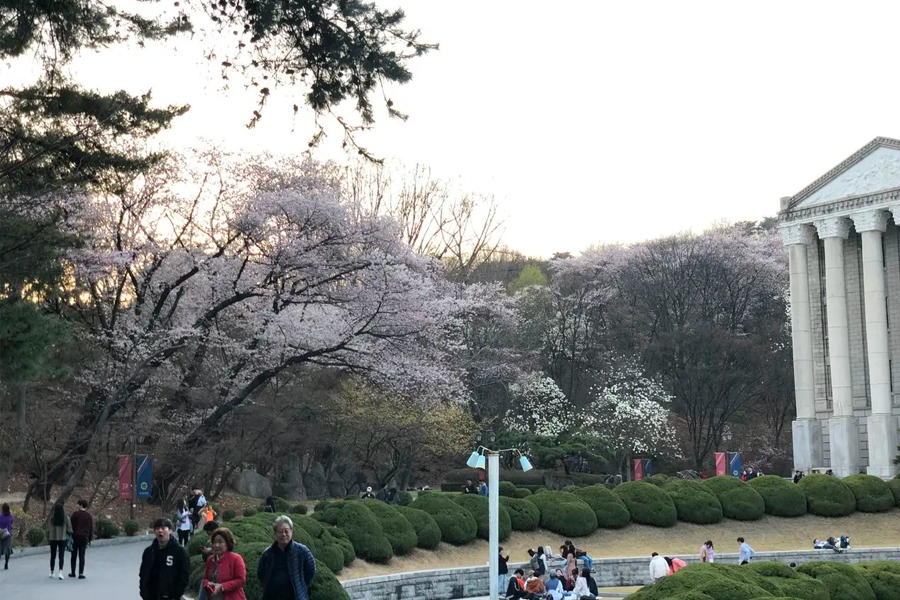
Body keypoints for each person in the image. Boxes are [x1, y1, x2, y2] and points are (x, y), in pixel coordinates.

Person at [257, 515, 316, 600]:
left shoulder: (302, 551)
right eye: (280, 531)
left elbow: (311, 570)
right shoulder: (268, 553)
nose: (283, 534)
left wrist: (301, 585)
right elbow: (261, 573)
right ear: (275, 533)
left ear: (291, 531)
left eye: (286, 531)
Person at [139, 518, 190, 600]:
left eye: (163, 528)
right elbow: (143, 574)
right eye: (157, 528)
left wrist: (177, 595)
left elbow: (184, 577)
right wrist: (144, 592)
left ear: (170, 530)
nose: (160, 531)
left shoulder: (180, 552)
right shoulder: (149, 551)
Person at [201, 527, 247, 600]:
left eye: (220, 542)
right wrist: (208, 584)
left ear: (228, 543)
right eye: (214, 542)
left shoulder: (236, 558)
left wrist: (222, 586)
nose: (216, 545)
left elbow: (241, 580)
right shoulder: (210, 559)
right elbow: (205, 578)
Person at [46, 502, 72, 579]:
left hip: (53, 539)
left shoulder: (51, 519)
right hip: (62, 538)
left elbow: (48, 529)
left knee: (52, 556)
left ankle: (52, 572)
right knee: (61, 556)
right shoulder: (66, 518)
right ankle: (60, 572)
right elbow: (70, 529)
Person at [69, 499, 94, 578]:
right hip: (84, 537)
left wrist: (70, 536)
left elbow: (71, 526)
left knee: (74, 555)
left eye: (78, 504)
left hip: (75, 537)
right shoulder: (88, 516)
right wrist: (90, 539)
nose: (77, 505)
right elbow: (91, 528)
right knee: (82, 556)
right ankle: (81, 573)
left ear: (81, 505)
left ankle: (73, 572)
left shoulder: (75, 515)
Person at [0, 503, 13, 571]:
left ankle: (6, 564)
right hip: (2, 533)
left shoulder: (11, 516)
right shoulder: (0, 515)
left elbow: (11, 524)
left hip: (7, 535)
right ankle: (5, 563)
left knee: (7, 550)